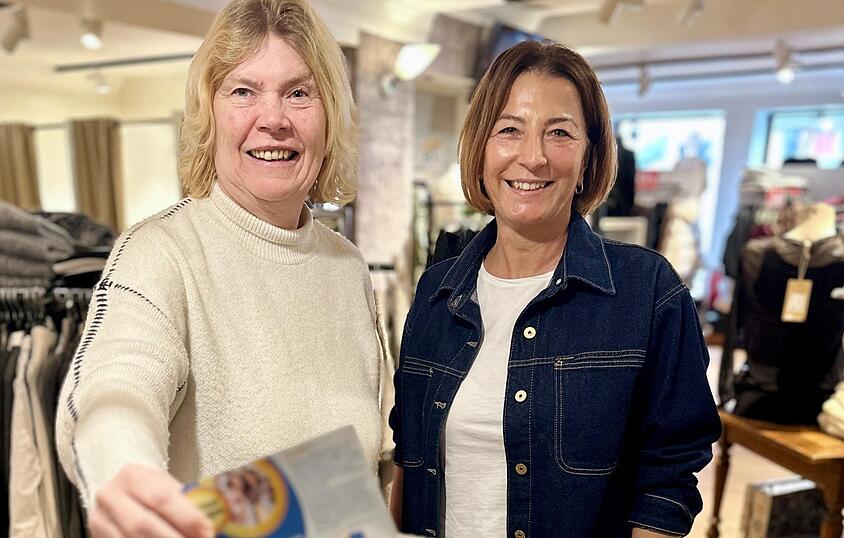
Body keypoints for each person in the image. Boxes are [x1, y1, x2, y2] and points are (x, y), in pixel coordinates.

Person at [55, 1, 387, 537]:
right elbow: (115, 385)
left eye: (299, 93)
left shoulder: (346, 266)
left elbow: (370, 456)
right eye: (243, 91)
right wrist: (125, 472)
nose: (273, 119)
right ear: (210, 113)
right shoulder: (161, 250)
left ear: (329, 115)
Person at [389, 40, 720, 538]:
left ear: (588, 157)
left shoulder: (646, 292)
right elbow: (407, 457)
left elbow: (669, 474)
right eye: (509, 130)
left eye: (559, 132)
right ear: (481, 149)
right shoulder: (438, 290)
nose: (533, 157)